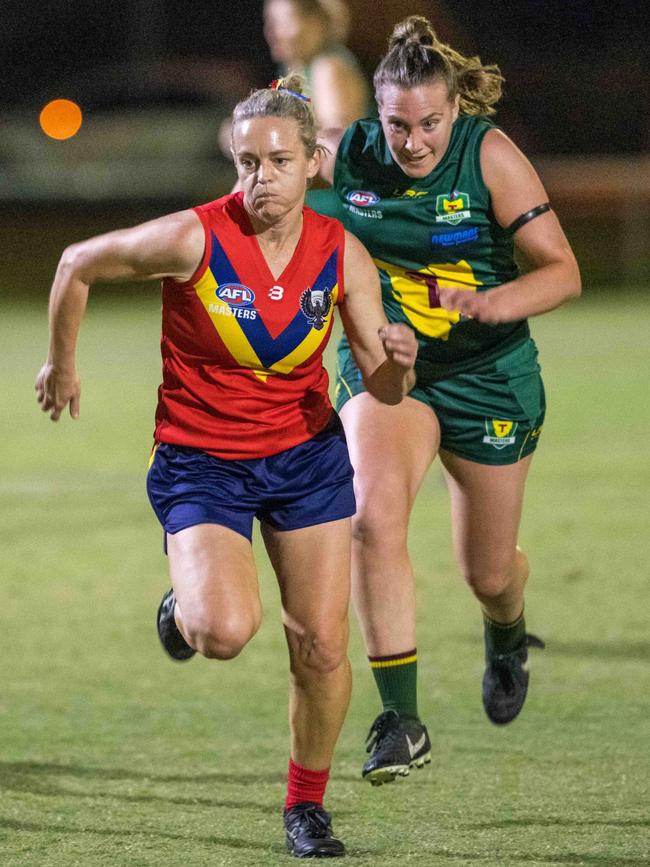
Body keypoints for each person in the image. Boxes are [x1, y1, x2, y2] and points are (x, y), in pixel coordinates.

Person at [34, 75, 417, 857]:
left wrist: (401, 366)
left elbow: (381, 380)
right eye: (245, 163)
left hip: (306, 459)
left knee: (319, 646)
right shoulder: (195, 238)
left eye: (276, 162)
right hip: (201, 459)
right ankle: (183, 609)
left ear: (312, 163)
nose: (258, 180)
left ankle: (305, 806)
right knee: (224, 629)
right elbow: (77, 262)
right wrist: (60, 366)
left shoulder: (341, 254)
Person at [314, 16, 581, 785]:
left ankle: (506, 631)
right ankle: (401, 718)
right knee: (371, 515)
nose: (414, 142)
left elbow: (561, 272)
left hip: (489, 370)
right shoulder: (356, 150)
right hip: (390, 367)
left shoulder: (489, 156)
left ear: (454, 110)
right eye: (398, 123)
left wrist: (491, 302)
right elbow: (277, 157)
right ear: (377, 113)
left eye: (429, 122)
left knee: (489, 572)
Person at [263, 0, 370, 130]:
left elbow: (336, 138)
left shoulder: (327, 68)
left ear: (315, 23)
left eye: (283, 22)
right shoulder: (294, 70)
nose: (272, 33)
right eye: (270, 22)